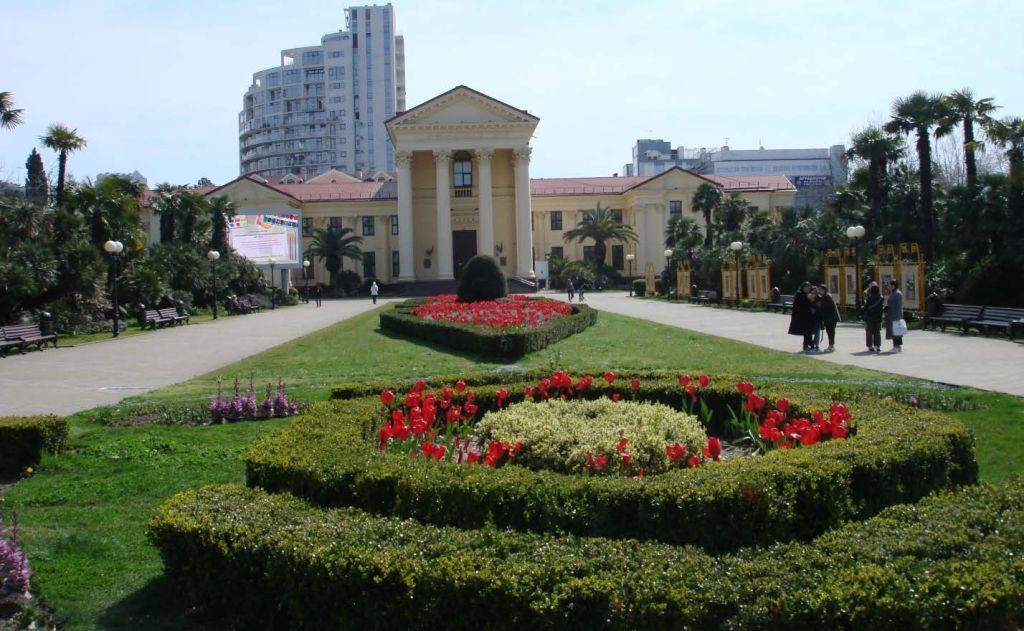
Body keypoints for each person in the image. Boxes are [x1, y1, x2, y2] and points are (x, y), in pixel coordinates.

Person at [787, 282, 815, 352]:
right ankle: (810, 345)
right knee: (807, 331)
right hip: (801, 316)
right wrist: (807, 298)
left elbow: (811, 304)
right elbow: (800, 303)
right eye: (806, 287)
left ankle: (807, 345)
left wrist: (811, 300)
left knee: (807, 331)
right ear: (803, 287)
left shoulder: (808, 294)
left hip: (808, 316)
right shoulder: (799, 294)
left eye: (808, 288)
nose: (807, 289)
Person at [817, 284, 841, 352]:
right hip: (829, 318)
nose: (819, 291)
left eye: (820, 290)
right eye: (819, 289)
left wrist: (820, 304)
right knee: (829, 332)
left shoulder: (827, 296)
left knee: (831, 332)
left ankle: (831, 346)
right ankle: (831, 346)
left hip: (831, 318)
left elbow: (829, 306)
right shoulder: (824, 296)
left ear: (824, 290)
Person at [884, 278, 904, 353]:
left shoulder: (897, 293)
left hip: (895, 315)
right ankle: (897, 346)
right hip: (892, 314)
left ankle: (896, 347)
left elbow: (898, 306)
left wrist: (897, 316)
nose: (888, 286)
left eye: (889, 285)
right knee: (895, 331)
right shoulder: (893, 292)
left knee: (896, 331)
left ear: (893, 285)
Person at [863, 282, 883, 353]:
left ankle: (870, 346)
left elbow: (866, 307)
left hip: (869, 317)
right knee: (877, 332)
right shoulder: (881, 297)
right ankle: (877, 346)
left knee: (869, 332)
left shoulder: (870, 297)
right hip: (878, 317)